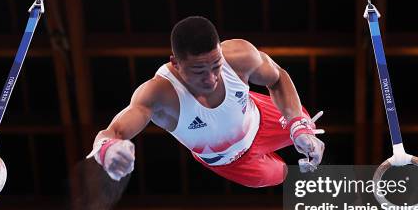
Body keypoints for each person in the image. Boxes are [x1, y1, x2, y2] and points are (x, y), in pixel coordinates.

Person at [87, 16, 325, 187]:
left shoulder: (239, 56)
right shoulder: (160, 94)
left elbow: (278, 78)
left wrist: (297, 124)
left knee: (304, 125)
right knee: (282, 175)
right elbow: (112, 132)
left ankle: (299, 128)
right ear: (176, 63)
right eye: (199, 71)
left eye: (216, 66)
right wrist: (109, 150)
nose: (211, 78)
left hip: (261, 118)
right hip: (230, 162)